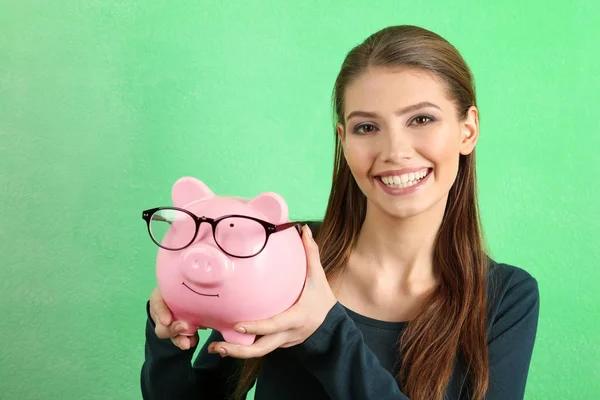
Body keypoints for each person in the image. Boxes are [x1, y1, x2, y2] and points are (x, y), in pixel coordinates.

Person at [140, 25, 540, 400]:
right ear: (343, 141)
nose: (394, 152)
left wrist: (324, 333)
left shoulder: (506, 297)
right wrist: (169, 339)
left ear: (467, 130)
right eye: (367, 127)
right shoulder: (287, 252)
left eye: (421, 119)